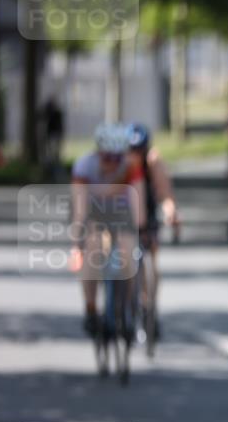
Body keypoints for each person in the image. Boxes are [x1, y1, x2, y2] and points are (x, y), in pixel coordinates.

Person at [70, 123, 146, 338]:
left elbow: (137, 201)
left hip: (122, 213)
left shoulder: (131, 164)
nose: (112, 163)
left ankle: (130, 309)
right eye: (107, 157)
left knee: (129, 254)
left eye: (117, 157)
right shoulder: (84, 166)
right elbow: (80, 208)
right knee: (93, 249)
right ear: (98, 152)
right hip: (95, 213)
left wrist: (142, 228)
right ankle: (91, 308)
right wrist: (77, 242)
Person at [126, 124, 180, 340]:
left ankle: (149, 307)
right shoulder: (119, 163)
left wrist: (171, 212)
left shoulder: (153, 161)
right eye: (132, 150)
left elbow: (165, 193)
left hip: (146, 213)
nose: (136, 155)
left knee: (151, 254)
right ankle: (125, 303)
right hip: (121, 212)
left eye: (141, 150)